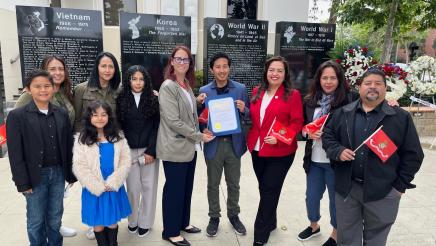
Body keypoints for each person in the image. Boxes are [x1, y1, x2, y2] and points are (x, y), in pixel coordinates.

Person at [322, 68, 424, 246]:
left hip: (383, 192)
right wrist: (337, 151)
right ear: (359, 87)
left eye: (378, 84)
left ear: (385, 88)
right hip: (348, 189)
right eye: (368, 83)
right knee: (346, 239)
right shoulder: (343, 113)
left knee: (376, 240)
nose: (372, 87)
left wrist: (399, 187)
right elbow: (328, 136)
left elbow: (413, 155)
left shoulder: (400, 117)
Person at [7, 69, 77, 246]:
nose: (43, 90)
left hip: (58, 173)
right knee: (36, 220)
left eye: (47, 86)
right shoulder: (17, 116)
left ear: (53, 88)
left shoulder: (60, 113)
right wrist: (22, 182)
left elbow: (68, 145)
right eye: (37, 86)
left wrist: (70, 172)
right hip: (35, 175)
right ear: (28, 89)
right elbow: (15, 153)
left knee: (55, 217)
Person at [157, 45, 214, 246]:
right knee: (174, 190)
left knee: (185, 188)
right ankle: (170, 231)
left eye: (186, 59)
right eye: (178, 59)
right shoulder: (168, 86)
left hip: (189, 148)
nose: (182, 63)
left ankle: (183, 222)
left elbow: (188, 114)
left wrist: (197, 103)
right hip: (175, 148)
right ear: (172, 61)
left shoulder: (186, 85)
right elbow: (173, 121)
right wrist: (199, 136)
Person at [298, 60, 358, 245]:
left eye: (333, 77)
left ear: (339, 79)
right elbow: (300, 129)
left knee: (336, 200)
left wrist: (391, 100)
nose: (329, 81)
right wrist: (306, 133)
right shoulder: (309, 101)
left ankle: (335, 234)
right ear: (319, 79)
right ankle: (314, 225)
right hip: (314, 160)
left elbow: (373, 104)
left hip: (337, 162)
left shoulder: (351, 99)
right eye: (325, 77)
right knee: (312, 197)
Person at [246, 56, 304, 246]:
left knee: (269, 190)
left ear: (285, 74)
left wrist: (279, 137)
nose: (275, 74)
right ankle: (271, 222)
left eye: (280, 70)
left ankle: (260, 236)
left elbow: (297, 123)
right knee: (266, 189)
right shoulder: (257, 91)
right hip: (257, 149)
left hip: (281, 153)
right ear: (266, 71)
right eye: (272, 70)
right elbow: (256, 120)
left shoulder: (292, 94)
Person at [197, 52, 249, 237]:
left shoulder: (240, 89)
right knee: (213, 183)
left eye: (224, 66)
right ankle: (214, 217)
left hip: (233, 144)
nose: (221, 70)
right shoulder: (204, 91)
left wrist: (245, 110)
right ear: (212, 69)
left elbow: (249, 117)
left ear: (229, 67)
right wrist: (202, 128)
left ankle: (234, 215)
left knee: (233, 183)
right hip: (214, 144)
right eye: (217, 67)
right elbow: (200, 119)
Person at [72, 100, 132, 246]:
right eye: (95, 115)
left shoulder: (118, 137)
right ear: (89, 118)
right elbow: (80, 166)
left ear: (109, 117)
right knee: (97, 222)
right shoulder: (82, 139)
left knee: (112, 221)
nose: (100, 118)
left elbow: (125, 160)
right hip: (94, 187)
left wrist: (113, 181)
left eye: (103, 114)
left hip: (112, 185)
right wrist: (96, 185)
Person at [116, 65, 160, 237]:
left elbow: (157, 127)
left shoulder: (153, 99)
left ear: (146, 80)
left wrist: (152, 151)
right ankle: (132, 220)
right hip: (128, 150)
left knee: (149, 187)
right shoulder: (121, 99)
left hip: (149, 149)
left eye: (141, 79)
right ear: (128, 80)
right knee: (133, 188)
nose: (138, 82)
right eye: (134, 79)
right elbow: (118, 126)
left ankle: (146, 222)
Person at [74, 51, 121, 132]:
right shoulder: (81, 89)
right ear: (97, 67)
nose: (107, 70)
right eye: (103, 66)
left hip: (111, 138)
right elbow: (77, 120)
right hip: (88, 139)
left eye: (111, 66)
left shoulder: (119, 90)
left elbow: (120, 119)